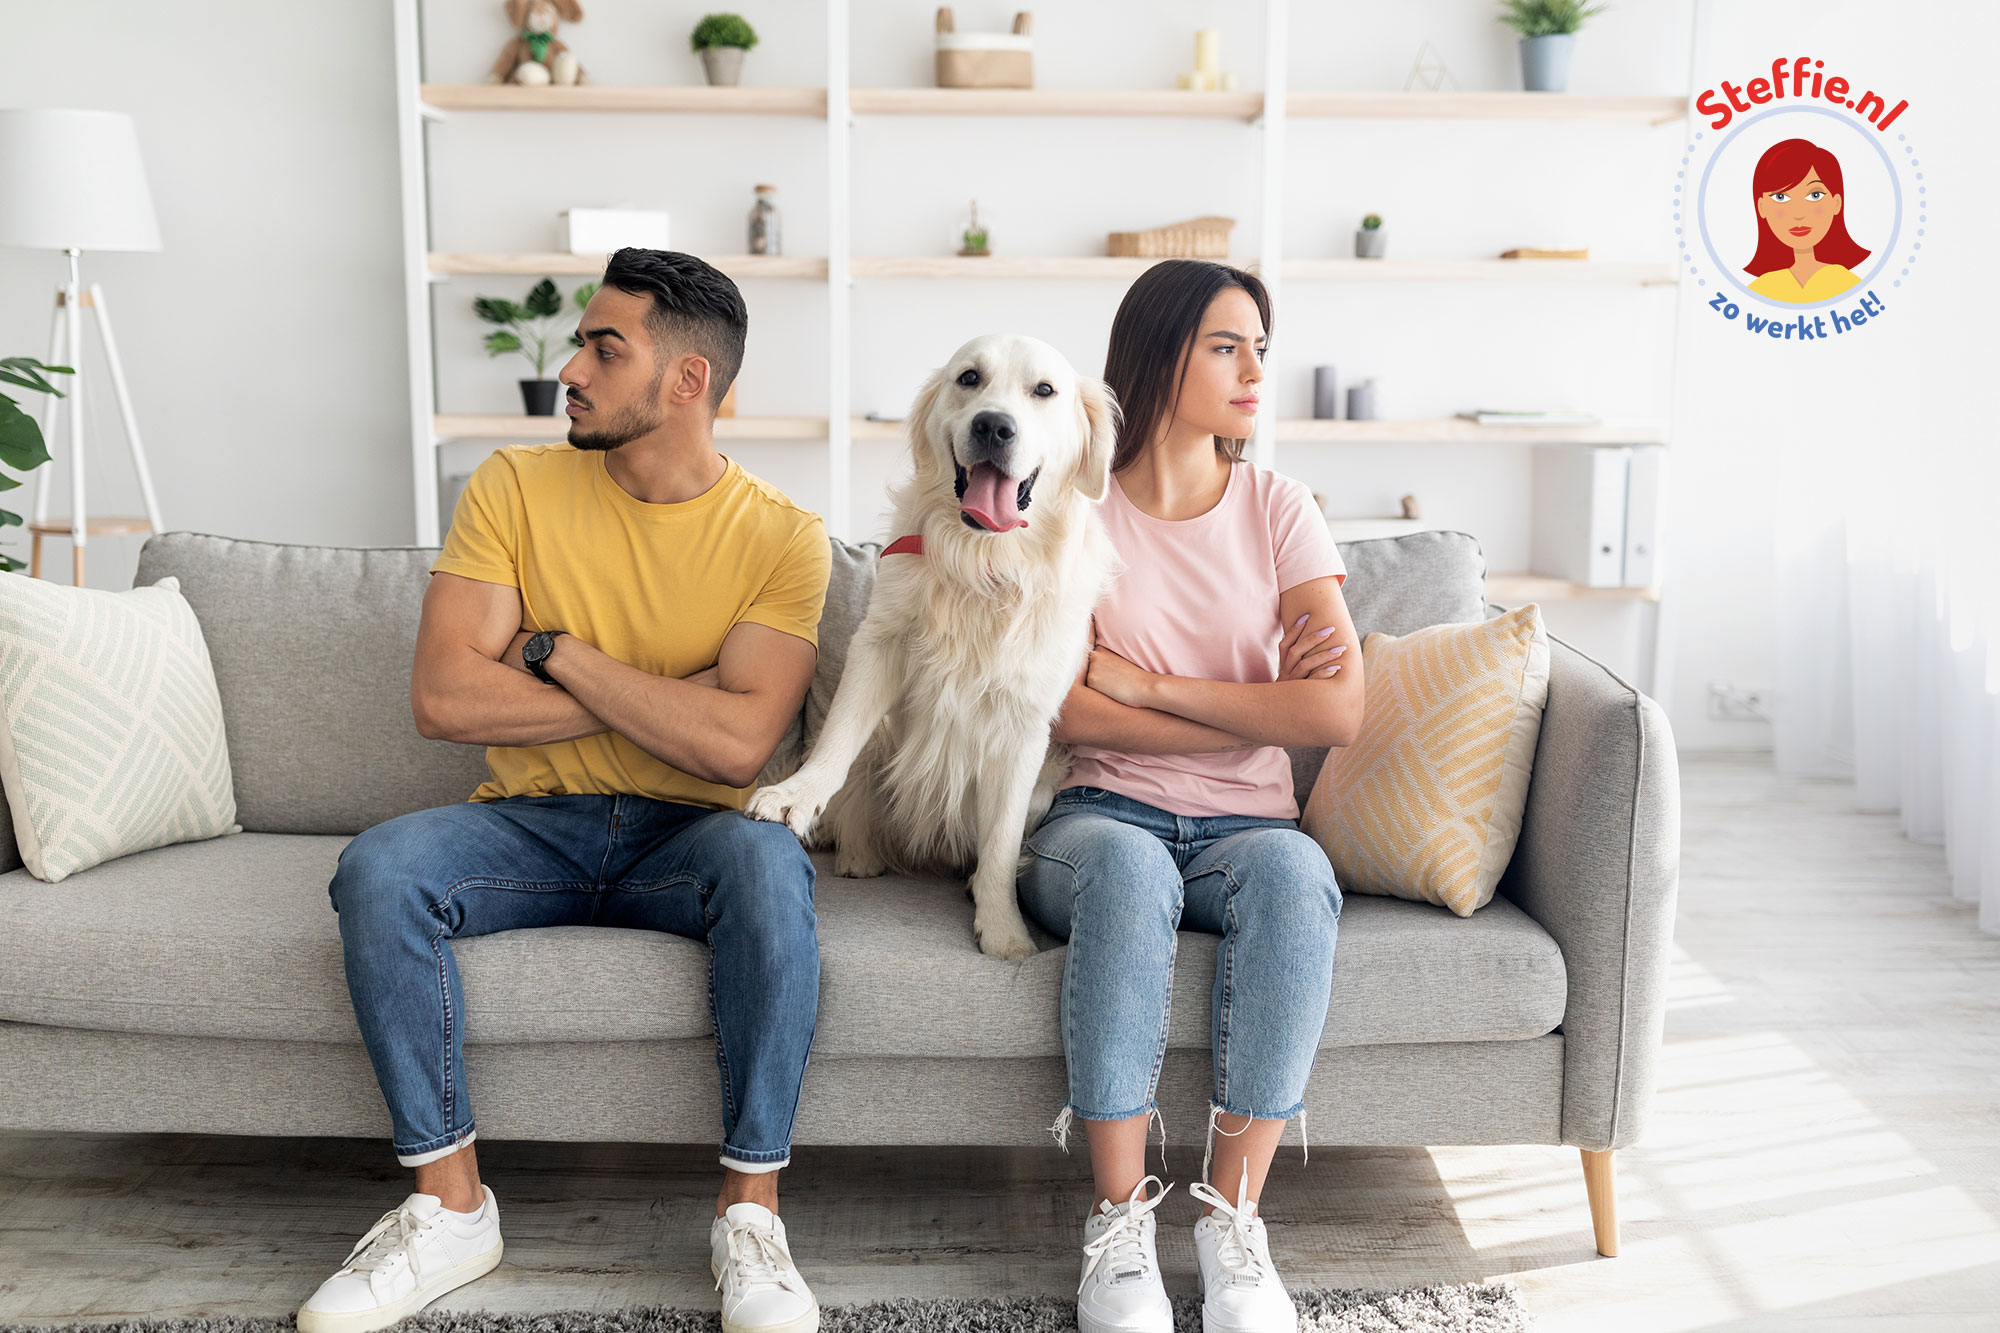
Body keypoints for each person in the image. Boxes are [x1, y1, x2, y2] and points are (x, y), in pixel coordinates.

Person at [302, 249, 831, 1333]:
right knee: (380, 867)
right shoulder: (514, 483)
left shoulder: (784, 536)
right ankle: (449, 1208)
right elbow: (446, 697)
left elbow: (736, 751)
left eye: (603, 346)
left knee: (772, 867)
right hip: (527, 828)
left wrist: (554, 653)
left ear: (686, 381)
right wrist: (669, 696)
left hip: (697, 837)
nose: (571, 368)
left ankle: (749, 1216)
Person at [1018, 259, 1363, 1333]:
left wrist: (1154, 685)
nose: (1256, 368)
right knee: (1124, 871)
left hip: (1246, 826)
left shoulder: (1277, 510)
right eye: (1226, 344)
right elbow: (1073, 715)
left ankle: (1231, 1220)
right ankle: (1118, 1226)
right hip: (1099, 816)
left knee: (1297, 876)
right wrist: (1252, 700)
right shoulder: (1073, 510)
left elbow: (1333, 713)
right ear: (1160, 354)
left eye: (1261, 343)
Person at [1744, 137, 1869, 304]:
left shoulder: (1852, 288)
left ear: (1836, 203)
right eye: (1780, 197)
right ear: (1762, 207)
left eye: (1814, 195)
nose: (1798, 213)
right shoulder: (1757, 293)